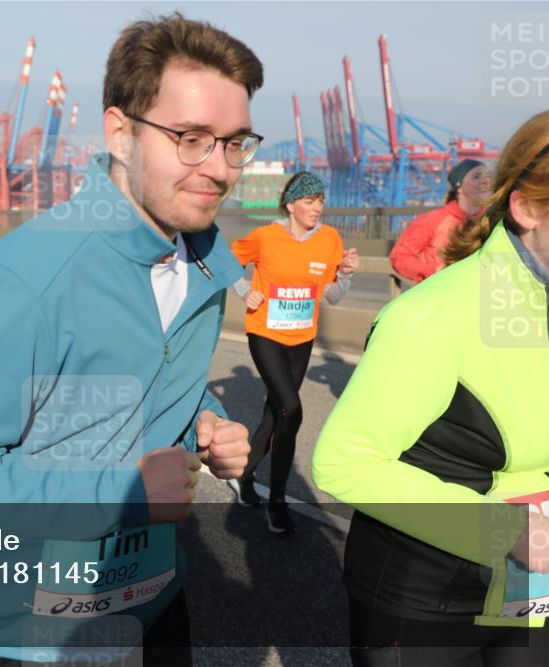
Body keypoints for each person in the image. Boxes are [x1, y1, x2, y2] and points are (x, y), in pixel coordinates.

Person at [0, 13, 261, 665]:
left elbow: (139, 400)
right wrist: (120, 492)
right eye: (191, 138)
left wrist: (204, 425)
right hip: (20, 632)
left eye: (236, 142)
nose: (220, 168)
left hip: (152, 607)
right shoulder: (15, 280)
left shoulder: (207, 262)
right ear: (121, 133)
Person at [312, 111, 549, 666]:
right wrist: (502, 530)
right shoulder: (434, 314)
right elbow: (345, 463)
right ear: (528, 208)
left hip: (531, 591)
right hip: (427, 601)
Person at [225, 172, 359, 532]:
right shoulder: (265, 237)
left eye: (320, 202)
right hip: (266, 334)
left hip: (301, 339)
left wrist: (345, 273)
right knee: (292, 409)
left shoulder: (329, 239)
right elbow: (226, 261)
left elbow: (333, 295)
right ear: (291, 205)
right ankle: (277, 502)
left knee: (275, 417)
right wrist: (243, 291)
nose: (317, 209)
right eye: (309, 202)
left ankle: (245, 474)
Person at [389, 158, 491, 284]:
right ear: (459, 187)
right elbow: (399, 256)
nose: (485, 181)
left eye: (488, 176)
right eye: (476, 177)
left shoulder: (495, 219)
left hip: (481, 297)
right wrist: (434, 271)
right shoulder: (433, 220)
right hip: (441, 296)